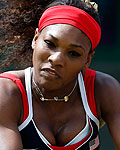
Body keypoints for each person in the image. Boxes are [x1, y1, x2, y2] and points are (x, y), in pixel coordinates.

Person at [0, 0, 120, 149]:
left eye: (73, 53)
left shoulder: (104, 89)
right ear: (35, 39)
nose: (56, 59)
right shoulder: (7, 92)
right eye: (50, 44)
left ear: (87, 60)